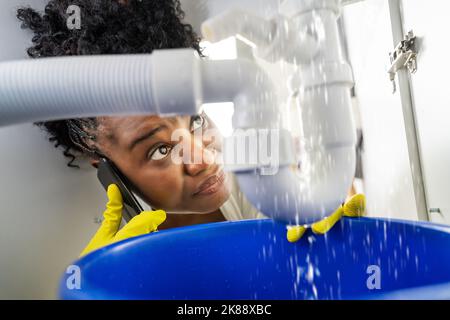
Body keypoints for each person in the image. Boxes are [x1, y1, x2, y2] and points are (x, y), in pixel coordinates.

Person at [17, 0, 364, 256]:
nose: (202, 158)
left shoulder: (245, 178)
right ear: (106, 167)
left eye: (195, 120)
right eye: (160, 149)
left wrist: (327, 237)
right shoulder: (111, 246)